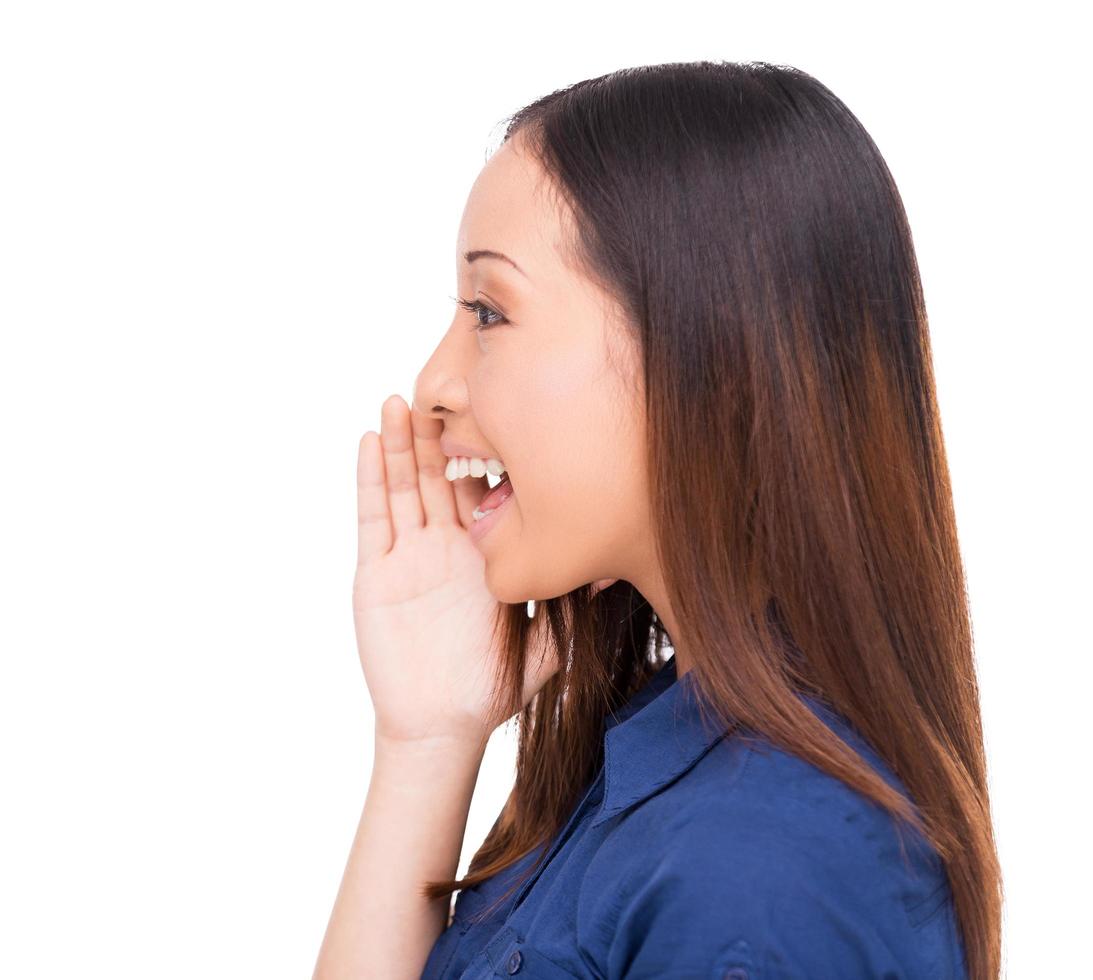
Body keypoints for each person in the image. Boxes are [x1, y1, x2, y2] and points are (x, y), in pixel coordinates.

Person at [312, 61, 1000, 979]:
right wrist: (425, 743)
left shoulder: (758, 876)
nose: (434, 385)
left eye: (488, 311)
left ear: (702, 353)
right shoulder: (665, 752)